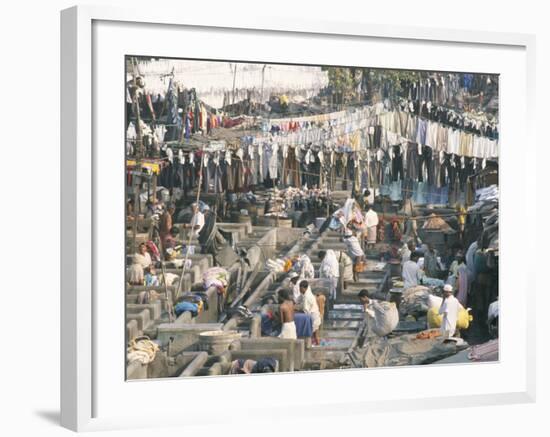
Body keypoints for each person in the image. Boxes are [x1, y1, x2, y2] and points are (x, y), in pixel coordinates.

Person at [295, 280, 322, 345]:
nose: (299, 290)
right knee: (315, 335)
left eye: (300, 288)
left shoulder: (307, 296)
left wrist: (296, 310)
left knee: (312, 334)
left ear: (304, 288)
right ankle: (317, 346)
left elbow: (305, 310)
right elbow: (298, 300)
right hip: (315, 316)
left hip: (313, 317)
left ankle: (313, 347)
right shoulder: (305, 293)